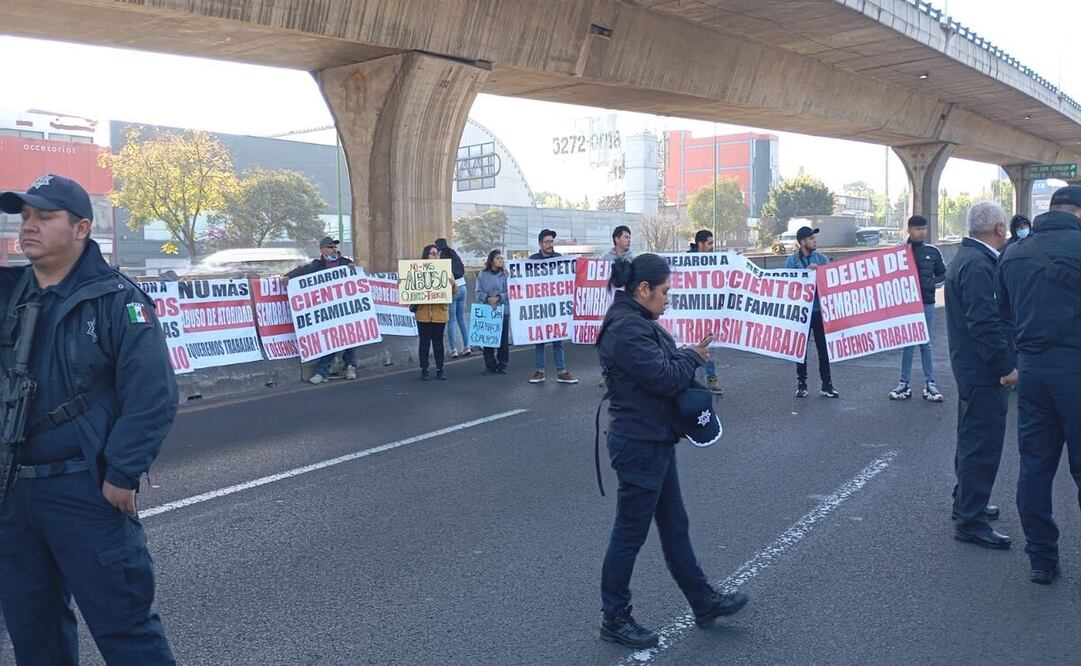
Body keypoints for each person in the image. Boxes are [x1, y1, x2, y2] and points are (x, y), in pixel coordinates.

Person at [0, 174, 178, 663]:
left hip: (85, 489)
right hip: (13, 494)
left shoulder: (118, 300)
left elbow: (153, 393)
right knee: (34, 637)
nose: (29, 226)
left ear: (81, 229)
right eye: (25, 216)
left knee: (126, 633)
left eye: (45, 216)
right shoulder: (10, 296)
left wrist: (121, 474)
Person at [596, 254, 747, 649]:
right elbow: (663, 378)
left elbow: (660, 367)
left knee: (674, 524)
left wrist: (684, 355)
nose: (668, 299)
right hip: (639, 443)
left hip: (654, 438)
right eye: (664, 292)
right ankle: (614, 617)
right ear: (642, 289)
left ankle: (702, 601)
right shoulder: (626, 328)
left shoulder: (636, 321)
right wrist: (692, 357)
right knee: (629, 534)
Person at [998, 186, 1081, 585]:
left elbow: (1005, 316)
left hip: (1032, 374)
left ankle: (1042, 559)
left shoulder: (1013, 253)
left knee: (1035, 468)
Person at [944, 201, 1016, 552]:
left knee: (970, 438)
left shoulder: (969, 258)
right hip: (983, 371)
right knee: (981, 445)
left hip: (971, 368)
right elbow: (984, 323)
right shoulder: (978, 265)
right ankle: (971, 520)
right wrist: (1005, 366)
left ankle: (967, 501)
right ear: (1000, 228)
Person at [888, 215, 947, 402]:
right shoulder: (899, 253)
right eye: (918, 229)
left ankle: (930, 383)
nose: (922, 232)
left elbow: (943, 274)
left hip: (926, 302)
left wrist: (931, 284)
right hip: (906, 305)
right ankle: (904, 383)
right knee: (908, 343)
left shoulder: (933, 252)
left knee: (925, 343)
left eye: (924, 229)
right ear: (909, 231)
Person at [286, 236, 359, 383]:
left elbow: (357, 277)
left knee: (350, 337)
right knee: (331, 339)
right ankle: (322, 371)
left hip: (344, 307)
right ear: (322, 250)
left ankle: (350, 366)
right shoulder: (316, 265)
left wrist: (353, 269)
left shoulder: (346, 263)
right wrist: (287, 276)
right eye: (330, 247)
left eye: (334, 247)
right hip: (327, 310)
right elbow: (302, 271)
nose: (333, 249)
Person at [785, 227, 838, 398]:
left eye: (814, 238)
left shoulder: (821, 259)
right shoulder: (792, 260)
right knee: (800, 349)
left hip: (818, 311)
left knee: (823, 348)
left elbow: (830, 282)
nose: (815, 241)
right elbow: (788, 284)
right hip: (801, 311)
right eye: (810, 238)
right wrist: (805, 273)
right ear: (802, 242)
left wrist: (819, 273)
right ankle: (801, 383)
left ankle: (827, 384)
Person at [529, 229, 577, 385]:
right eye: (547, 242)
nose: (550, 245)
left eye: (552, 242)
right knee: (540, 340)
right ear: (540, 243)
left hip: (555, 307)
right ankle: (540, 371)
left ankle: (561, 372)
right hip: (540, 305)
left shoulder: (559, 259)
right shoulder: (532, 260)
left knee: (558, 340)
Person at [687, 230, 723, 396]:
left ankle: (711, 378)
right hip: (691, 311)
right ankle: (689, 379)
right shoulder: (686, 260)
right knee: (690, 346)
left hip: (708, 310)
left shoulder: (714, 260)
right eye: (709, 243)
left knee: (710, 345)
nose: (711, 246)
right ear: (700, 244)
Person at [415, 244, 457, 381]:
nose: (435, 256)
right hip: (423, 313)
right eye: (432, 253)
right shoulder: (417, 270)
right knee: (424, 343)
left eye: (437, 254)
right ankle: (424, 369)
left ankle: (440, 369)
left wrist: (452, 284)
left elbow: (454, 291)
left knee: (438, 343)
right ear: (426, 255)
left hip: (439, 313)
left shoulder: (445, 269)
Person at [435, 237, 471, 359]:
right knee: (461, 319)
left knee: (451, 320)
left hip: (452, 289)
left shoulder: (441, 259)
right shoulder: (455, 255)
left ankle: (454, 349)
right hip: (463, 287)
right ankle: (467, 346)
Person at [475, 249, 510, 375]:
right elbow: (478, 292)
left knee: (503, 340)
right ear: (491, 261)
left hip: (502, 309)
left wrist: (499, 297)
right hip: (488, 309)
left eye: (501, 258)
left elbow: (511, 291)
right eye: (497, 258)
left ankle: (502, 364)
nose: (500, 260)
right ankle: (490, 365)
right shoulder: (482, 275)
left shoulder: (506, 275)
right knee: (488, 339)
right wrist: (488, 299)